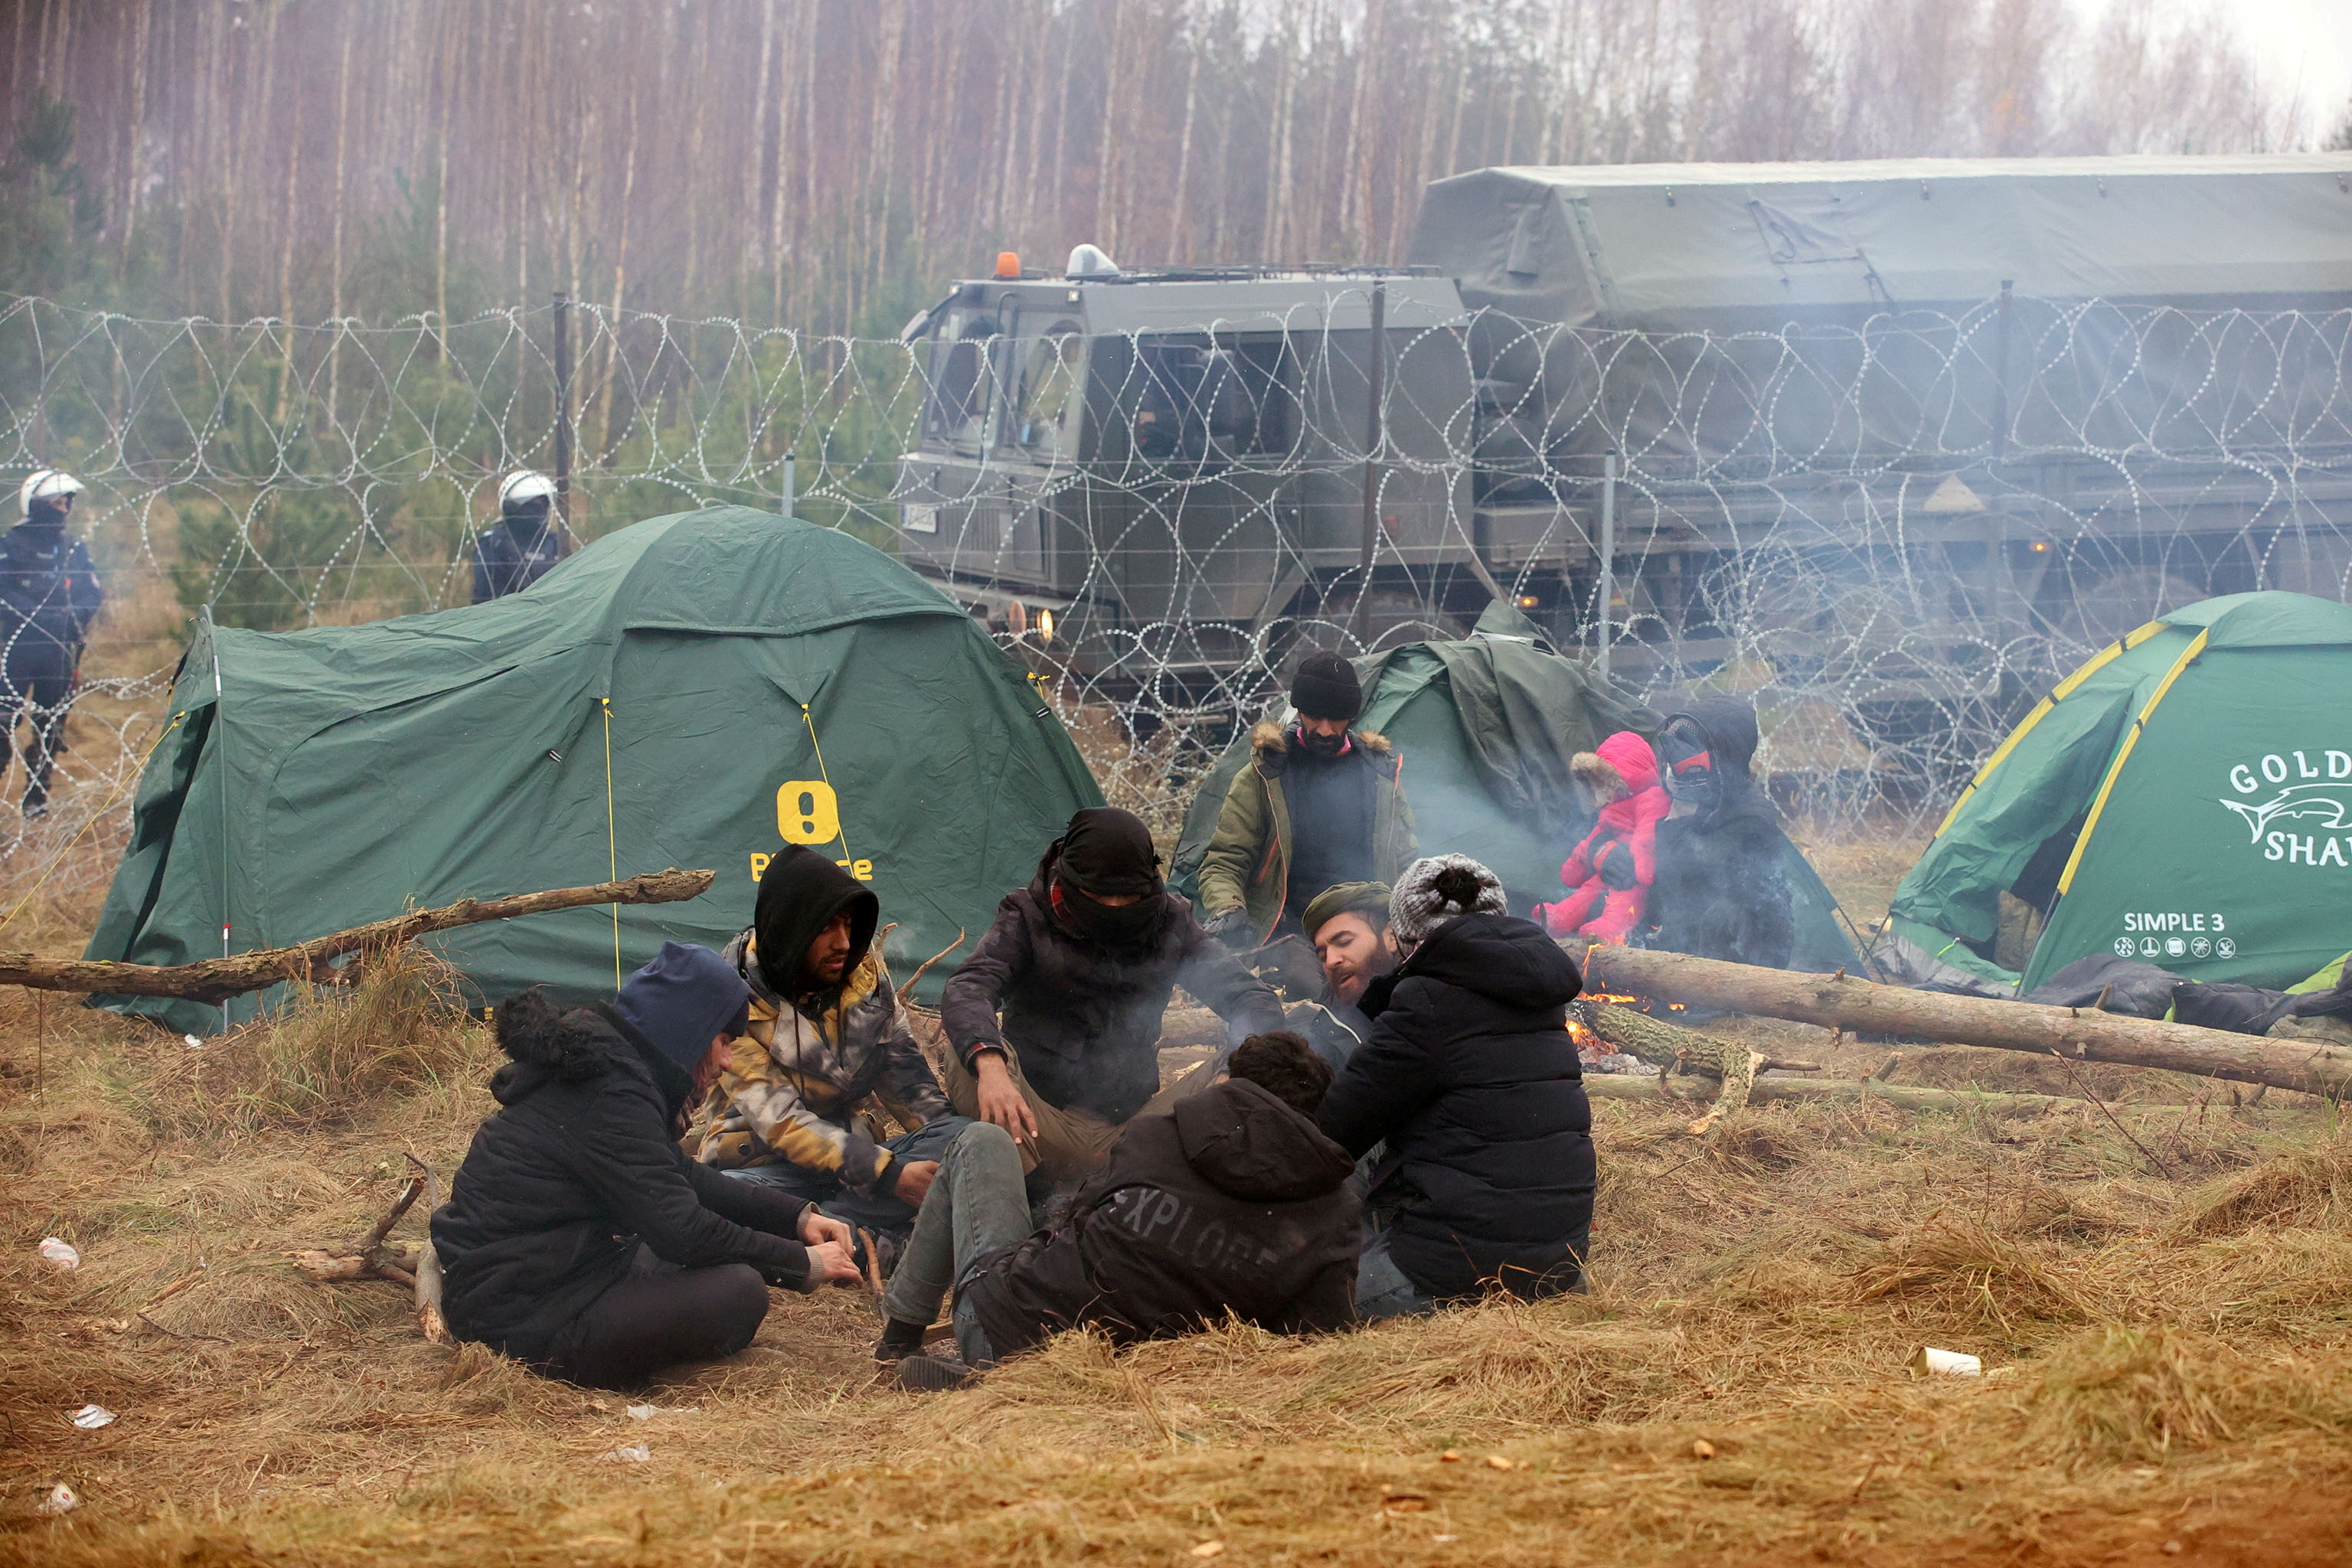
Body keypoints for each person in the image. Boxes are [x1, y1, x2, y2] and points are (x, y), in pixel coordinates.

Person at [432, 942, 863, 1390]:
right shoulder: (610, 1092)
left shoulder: (608, 1070)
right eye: (723, 1042)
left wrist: (797, 1218)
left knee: (685, 1260)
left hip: (541, 1274)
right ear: (690, 1033)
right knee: (737, 1293)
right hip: (519, 1313)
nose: (727, 1061)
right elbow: (683, 1231)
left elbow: (682, 1176)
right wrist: (803, 1262)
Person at [876, 1030, 1361, 1389]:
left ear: (1224, 1080)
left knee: (979, 1140)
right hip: (1147, 1385)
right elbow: (1318, 1343)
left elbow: (1072, 1226)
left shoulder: (1157, 1135)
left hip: (1012, 1336)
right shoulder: (1334, 1212)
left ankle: (902, 1336)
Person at [939, 806, 1285, 1182]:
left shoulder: (1169, 921)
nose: (1115, 908)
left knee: (1262, 1056)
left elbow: (1252, 998)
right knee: (968, 1058)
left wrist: (1228, 1077)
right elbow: (970, 986)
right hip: (1038, 1122)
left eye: (1128, 898)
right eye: (1100, 897)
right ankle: (1038, 1191)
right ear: (1070, 880)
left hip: (1139, 1133)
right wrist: (991, 1067)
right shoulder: (1029, 915)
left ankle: (1129, 1182)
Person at [1319, 855, 1594, 1318]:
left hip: (1461, 1268)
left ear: (1407, 939)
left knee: (1306, 1298)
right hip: (1558, 1262)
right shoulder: (1538, 996)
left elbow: (1333, 1133)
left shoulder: (1427, 1001)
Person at [688, 845, 966, 1265]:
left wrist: (954, 1158)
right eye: (826, 928)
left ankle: (835, 1231)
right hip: (765, 1167)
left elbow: (912, 1089)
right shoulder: (730, 995)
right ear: (790, 928)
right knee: (713, 1203)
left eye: (850, 926)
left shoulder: (866, 981)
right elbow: (781, 1122)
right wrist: (889, 1175)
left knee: (965, 1139)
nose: (844, 943)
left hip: (856, 1162)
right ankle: (857, 1233)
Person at [1197, 651, 1417, 996]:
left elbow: (1405, 863)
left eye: (1337, 718)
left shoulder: (1380, 776)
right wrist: (1229, 907)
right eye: (1315, 716)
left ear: (1352, 715)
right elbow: (1225, 859)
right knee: (1313, 989)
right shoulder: (1265, 774)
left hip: (1365, 919)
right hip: (1288, 925)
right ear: (1299, 710)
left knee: (1379, 991)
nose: (1325, 730)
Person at [1644, 696, 1795, 970]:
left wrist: (1677, 820)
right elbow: (1666, 884)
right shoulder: (1706, 802)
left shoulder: (1751, 816)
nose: (1676, 766)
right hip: (1694, 938)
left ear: (1725, 759)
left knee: (1722, 916)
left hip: (1749, 952)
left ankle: (1710, 997)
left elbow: (1694, 870)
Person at [0, 469, 103, 817]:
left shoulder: (72, 548)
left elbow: (92, 592)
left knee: (50, 727)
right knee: (2, 723)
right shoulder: (10, 544)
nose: (65, 507)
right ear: (38, 503)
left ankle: (36, 802)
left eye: (68, 501)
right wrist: (35, 616)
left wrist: (71, 619)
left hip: (58, 652)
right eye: (59, 501)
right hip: (15, 651)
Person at [1534, 730, 1671, 945]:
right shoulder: (1610, 809)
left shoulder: (1651, 798)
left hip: (1632, 876)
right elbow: (1594, 838)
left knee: (1622, 900)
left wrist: (1641, 868)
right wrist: (1579, 862)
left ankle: (1609, 931)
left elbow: (1647, 837)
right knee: (1587, 891)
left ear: (1623, 780)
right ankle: (1558, 919)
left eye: (1605, 784)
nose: (1601, 792)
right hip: (1606, 872)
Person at [1295, 880, 1398, 1072]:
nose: (1331, 962)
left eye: (1344, 942)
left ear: (1391, 936)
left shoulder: (1445, 997)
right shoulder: (1318, 1034)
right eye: (1323, 956)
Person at [471, 469, 570, 603]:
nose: (538, 508)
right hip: (506, 619)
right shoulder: (493, 544)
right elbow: (487, 595)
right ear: (513, 506)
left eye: (543, 502)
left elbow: (567, 590)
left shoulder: (553, 543)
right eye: (532, 503)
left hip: (550, 618)